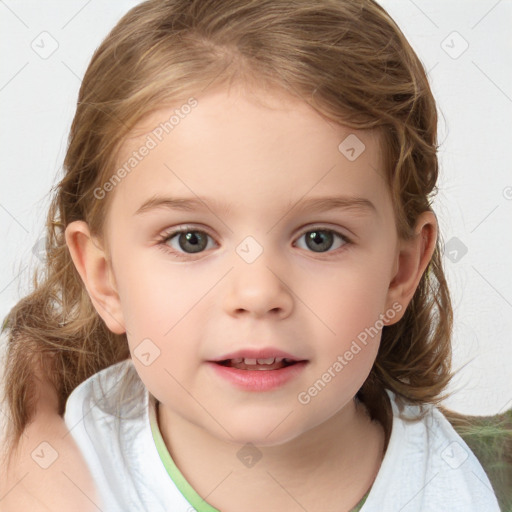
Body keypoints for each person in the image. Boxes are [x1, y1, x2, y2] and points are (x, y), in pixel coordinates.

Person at [0, 0, 508, 510]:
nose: (258, 293)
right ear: (104, 279)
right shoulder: (57, 482)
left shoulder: (464, 487)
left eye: (320, 239)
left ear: (400, 274)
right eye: (190, 239)